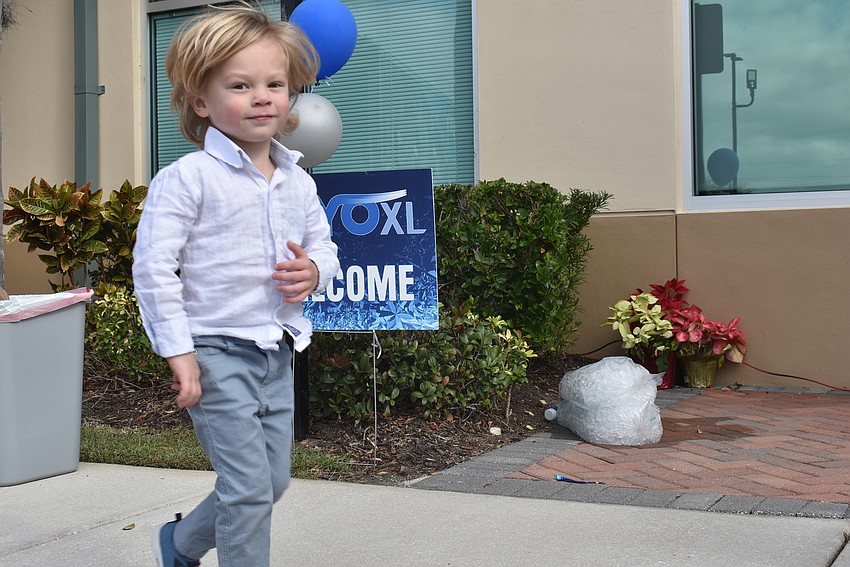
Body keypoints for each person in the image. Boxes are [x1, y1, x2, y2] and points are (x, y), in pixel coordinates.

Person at [132, 5, 339, 566]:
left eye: (275, 84)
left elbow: (325, 247)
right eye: (240, 85)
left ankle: (180, 544)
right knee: (248, 489)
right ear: (202, 103)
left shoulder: (296, 179)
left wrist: (315, 271)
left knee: (271, 483)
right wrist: (179, 351)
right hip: (217, 349)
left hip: (277, 350)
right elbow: (153, 268)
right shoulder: (187, 179)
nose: (263, 96)